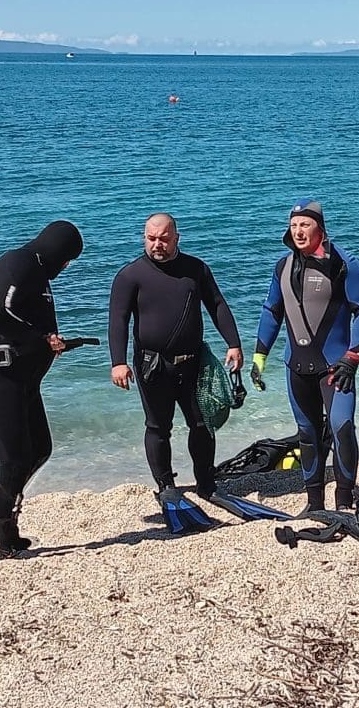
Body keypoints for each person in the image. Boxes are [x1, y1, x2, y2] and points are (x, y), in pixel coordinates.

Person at [108, 213, 243, 529]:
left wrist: (233, 344)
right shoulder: (130, 276)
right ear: (144, 237)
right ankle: (166, 486)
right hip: (152, 365)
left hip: (193, 361)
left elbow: (218, 305)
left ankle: (206, 483)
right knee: (158, 427)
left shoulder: (195, 269)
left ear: (176, 237)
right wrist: (118, 362)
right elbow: (118, 321)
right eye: (151, 238)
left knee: (202, 424)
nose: (157, 244)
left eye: (164, 238)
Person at [0, 220, 84, 558]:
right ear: (55, 250)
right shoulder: (17, 262)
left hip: (21, 379)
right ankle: (4, 537)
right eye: (66, 260)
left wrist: (48, 343)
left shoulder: (37, 273)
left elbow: (24, 322)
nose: (65, 267)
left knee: (39, 449)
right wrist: (42, 338)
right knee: (15, 460)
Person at [251, 200, 359, 512]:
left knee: (341, 426)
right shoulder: (282, 266)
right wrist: (259, 356)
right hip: (296, 366)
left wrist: (353, 356)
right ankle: (314, 503)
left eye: (305, 224)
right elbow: (271, 310)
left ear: (320, 227)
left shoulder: (345, 264)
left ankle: (344, 500)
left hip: (336, 367)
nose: (299, 231)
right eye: (294, 225)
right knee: (308, 434)